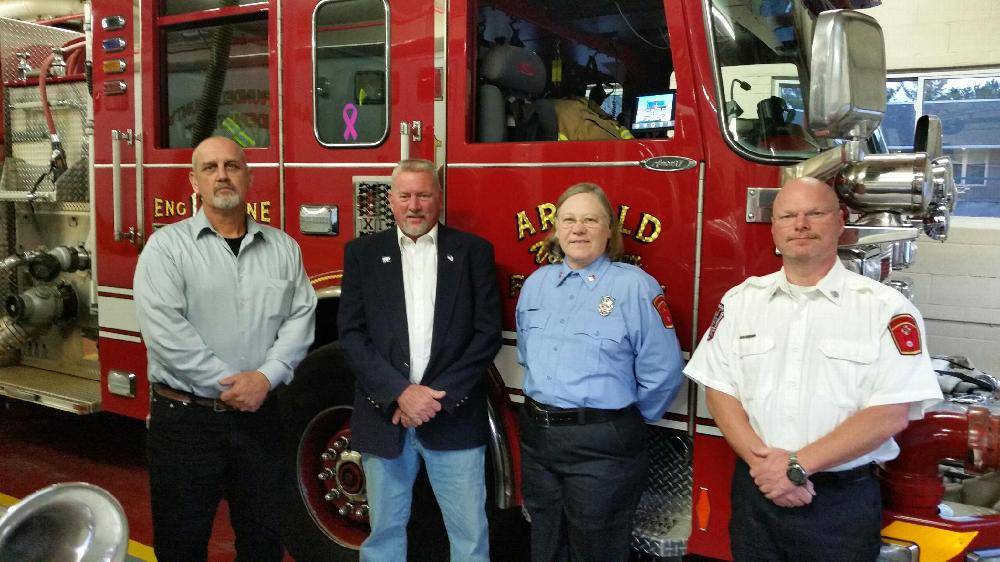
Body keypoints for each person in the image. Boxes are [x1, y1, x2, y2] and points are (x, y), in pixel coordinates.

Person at [684, 177, 943, 561]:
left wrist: (794, 467)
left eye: (814, 213)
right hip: (758, 494)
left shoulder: (884, 308)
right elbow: (719, 390)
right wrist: (765, 467)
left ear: (840, 221)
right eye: (788, 215)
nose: (800, 224)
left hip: (839, 504)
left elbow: (890, 413)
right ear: (774, 228)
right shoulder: (742, 302)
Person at [133, 136, 317, 562]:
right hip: (186, 424)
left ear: (249, 177)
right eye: (210, 167)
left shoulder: (283, 248)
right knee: (181, 545)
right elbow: (166, 332)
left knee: (264, 542)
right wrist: (236, 386)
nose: (222, 175)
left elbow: (301, 319)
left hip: (262, 420)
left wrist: (266, 379)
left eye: (232, 166)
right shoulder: (166, 249)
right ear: (193, 181)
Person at [338, 158, 501, 561]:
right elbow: (352, 335)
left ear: (439, 199)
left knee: (469, 536)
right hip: (385, 417)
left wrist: (434, 399)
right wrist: (400, 394)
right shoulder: (362, 255)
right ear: (390, 200)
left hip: (453, 418)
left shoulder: (473, 253)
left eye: (424, 195)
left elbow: (486, 335)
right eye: (405, 195)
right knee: (384, 534)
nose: (414, 205)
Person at [515, 182, 684, 562]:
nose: (578, 229)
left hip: (603, 447)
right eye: (569, 219)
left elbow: (664, 371)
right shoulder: (536, 285)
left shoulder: (635, 288)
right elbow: (528, 355)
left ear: (610, 231)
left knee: (599, 548)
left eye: (591, 220)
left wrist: (617, 420)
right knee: (545, 544)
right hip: (538, 441)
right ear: (556, 229)